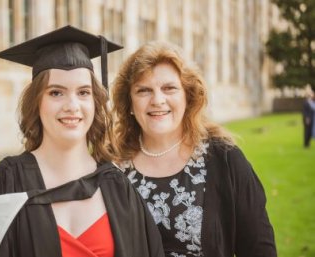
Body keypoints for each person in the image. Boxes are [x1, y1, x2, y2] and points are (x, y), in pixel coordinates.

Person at [0, 26, 164, 257]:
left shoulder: (117, 186)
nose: (72, 106)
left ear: (95, 102)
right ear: (37, 102)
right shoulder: (8, 181)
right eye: (56, 92)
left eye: (83, 92)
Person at [111, 41, 277, 257]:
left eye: (169, 88)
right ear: (129, 103)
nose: (158, 100)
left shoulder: (224, 158)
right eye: (143, 90)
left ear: (187, 96)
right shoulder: (111, 166)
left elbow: (259, 250)